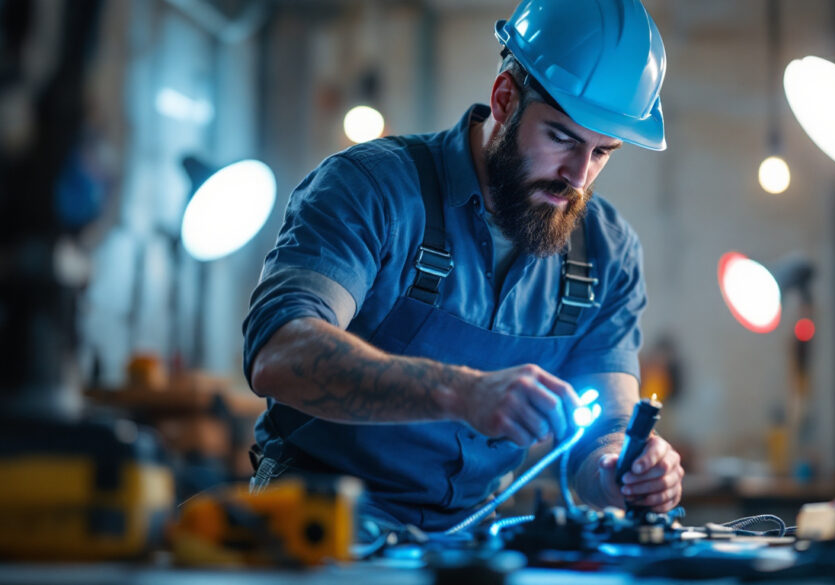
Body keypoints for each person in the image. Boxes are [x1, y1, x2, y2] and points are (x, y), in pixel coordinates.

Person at [242, 0, 684, 533]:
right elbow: (281, 353)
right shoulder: (374, 189)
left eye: (602, 152)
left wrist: (624, 469)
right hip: (317, 527)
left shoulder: (607, 253)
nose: (578, 176)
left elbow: (605, 432)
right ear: (504, 99)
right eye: (561, 138)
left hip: (469, 539)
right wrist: (463, 392)